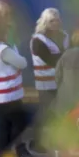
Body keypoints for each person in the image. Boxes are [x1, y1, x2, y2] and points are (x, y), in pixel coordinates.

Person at [0, 17, 32, 157]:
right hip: (9, 95)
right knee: (19, 123)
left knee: (3, 124)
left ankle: (2, 156)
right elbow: (22, 63)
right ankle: (6, 152)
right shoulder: (2, 49)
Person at [31, 8, 68, 149]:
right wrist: (66, 56)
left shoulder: (64, 36)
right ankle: (38, 143)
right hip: (45, 84)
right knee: (45, 114)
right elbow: (51, 60)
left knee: (60, 113)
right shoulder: (37, 40)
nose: (55, 23)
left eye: (57, 20)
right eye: (51, 20)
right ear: (45, 22)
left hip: (61, 83)